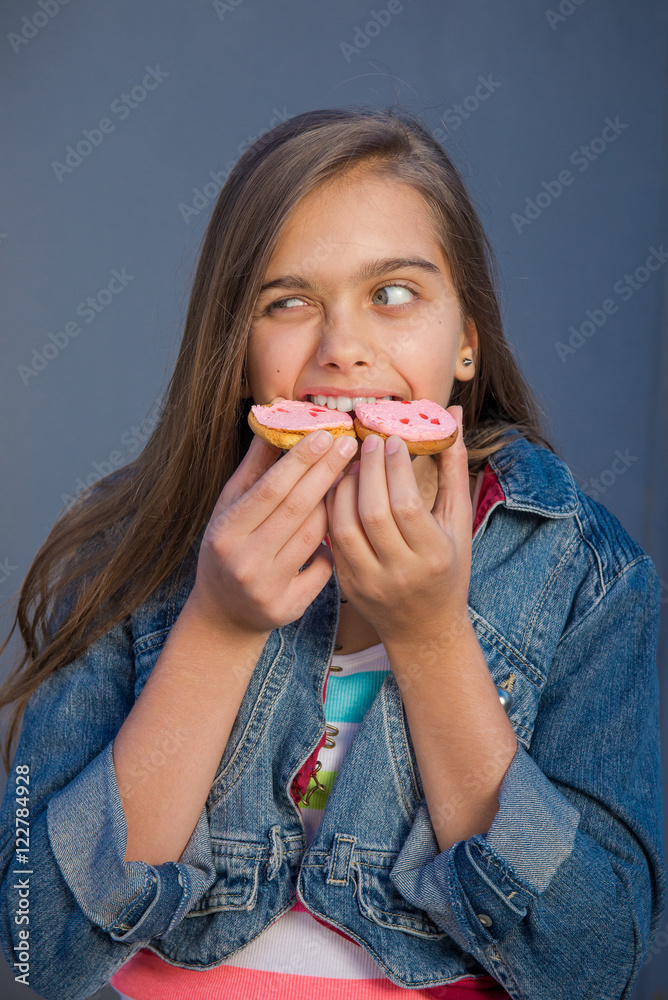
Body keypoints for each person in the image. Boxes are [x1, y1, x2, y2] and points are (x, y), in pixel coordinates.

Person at [0, 106, 664, 1000]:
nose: (343, 350)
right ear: (238, 350)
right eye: (289, 302)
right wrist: (218, 625)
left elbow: (594, 966)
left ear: (466, 340)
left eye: (393, 294)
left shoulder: (588, 575)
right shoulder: (129, 549)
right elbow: (36, 945)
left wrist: (430, 638)